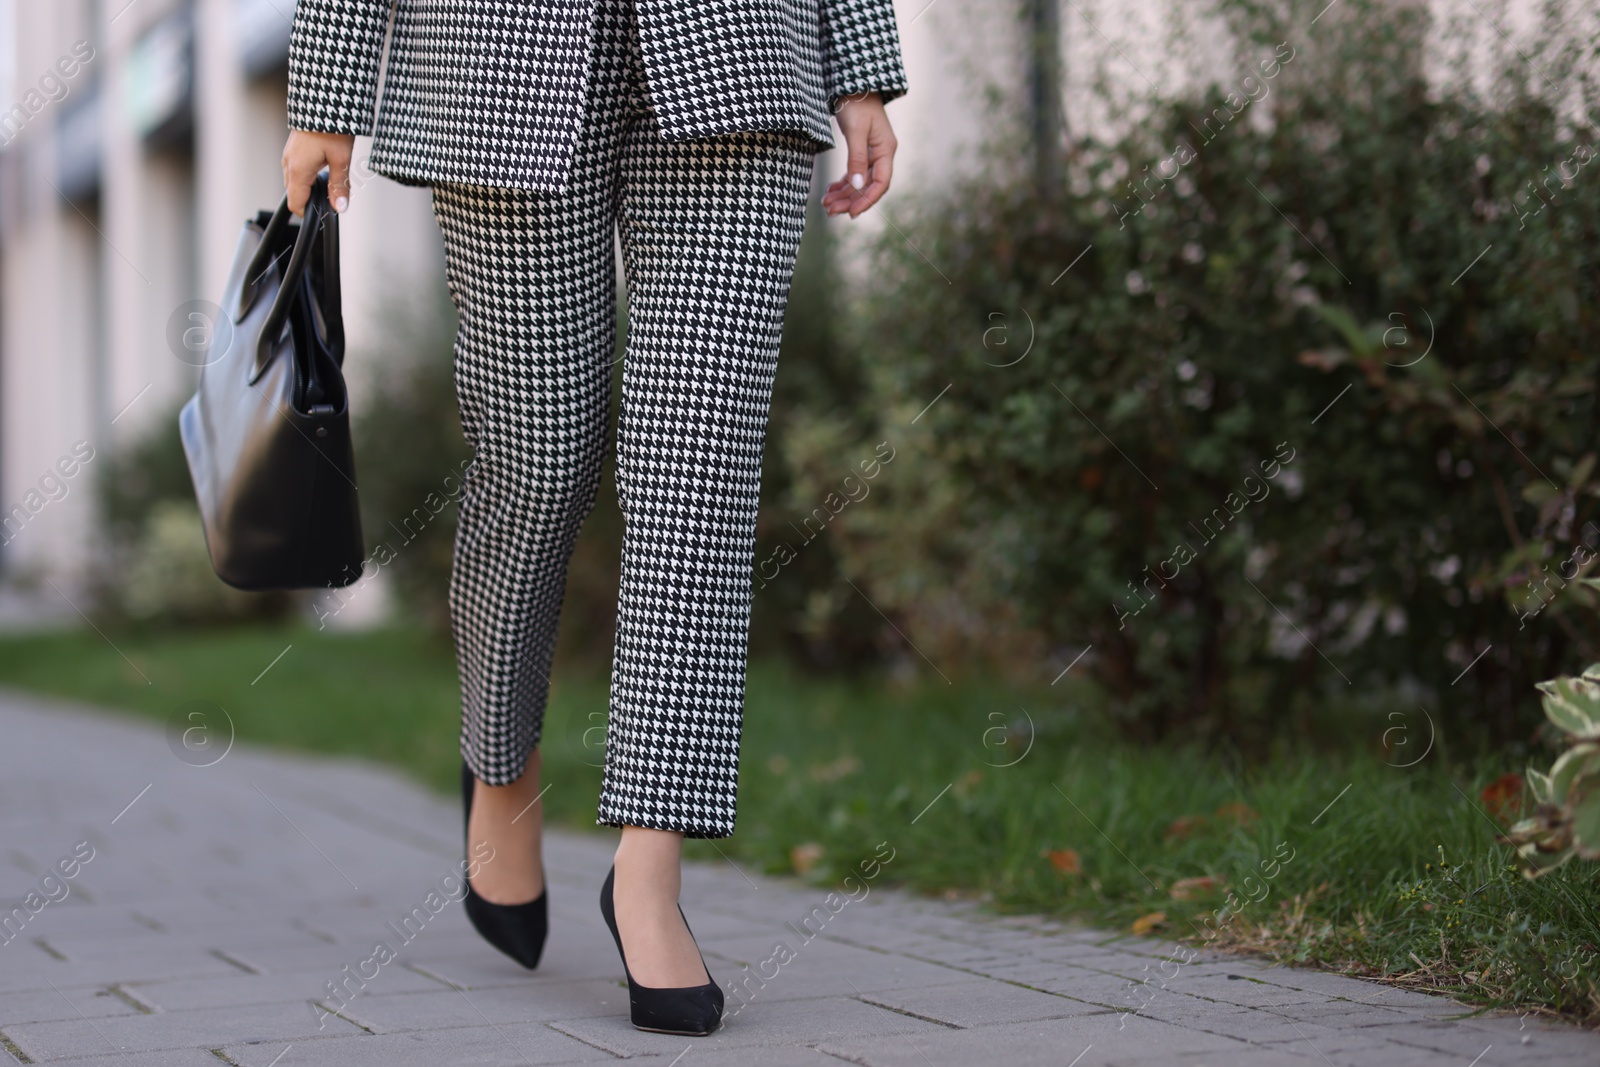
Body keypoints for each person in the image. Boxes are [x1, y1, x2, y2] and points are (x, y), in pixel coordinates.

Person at [281, 0, 906, 1036]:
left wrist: (862, 63)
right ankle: (499, 765)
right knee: (537, 456)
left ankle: (648, 871)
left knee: (696, 463)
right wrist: (328, 93)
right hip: (495, 60)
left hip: (741, 53)